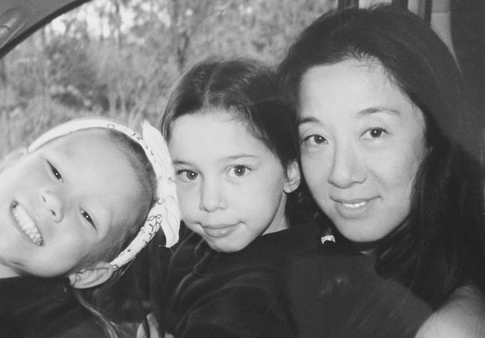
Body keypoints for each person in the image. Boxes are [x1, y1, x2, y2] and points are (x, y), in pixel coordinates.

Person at [277, 4, 485, 337]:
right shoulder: (324, 267)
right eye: (316, 138)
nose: (341, 174)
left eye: (374, 132)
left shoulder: (448, 328)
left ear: (436, 136)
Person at [0, 118, 180, 338]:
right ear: (12, 162)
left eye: (88, 216)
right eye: (55, 171)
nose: (54, 200)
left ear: (88, 273)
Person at [141, 57, 319, 338]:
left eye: (238, 170)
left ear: (290, 172)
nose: (209, 202)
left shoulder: (250, 304)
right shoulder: (202, 245)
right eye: (188, 174)